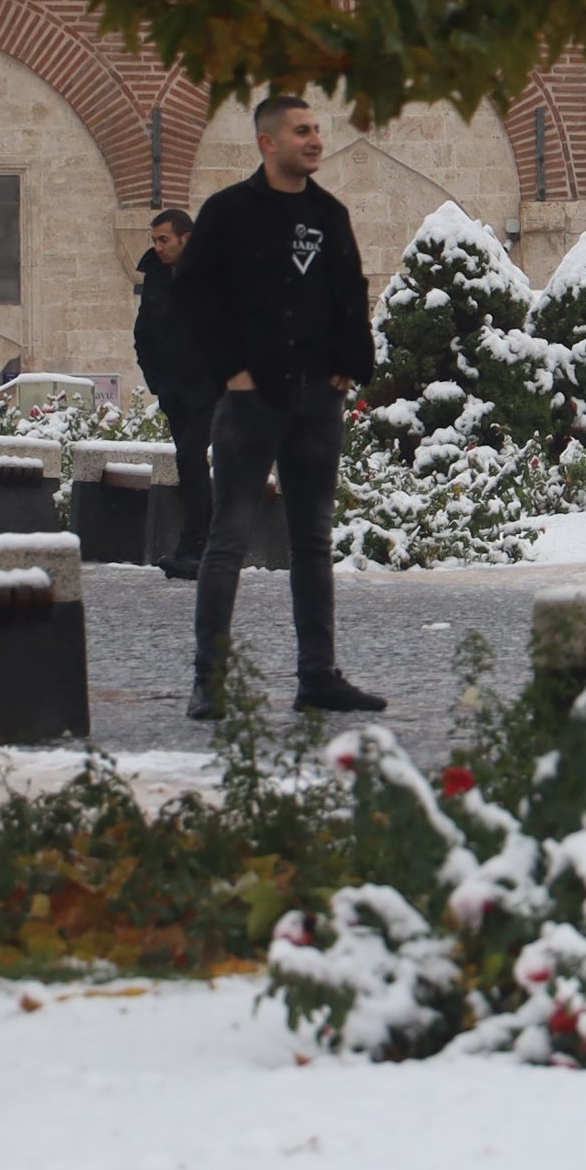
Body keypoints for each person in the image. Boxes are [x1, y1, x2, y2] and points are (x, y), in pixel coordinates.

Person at [174, 94, 385, 720]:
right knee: (228, 540)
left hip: (317, 400)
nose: (315, 140)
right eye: (301, 131)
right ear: (269, 142)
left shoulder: (328, 214)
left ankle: (317, 675)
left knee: (313, 543)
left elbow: (351, 290)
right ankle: (209, 681)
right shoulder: (229, 213)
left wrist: (351, 366)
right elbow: (192, 297)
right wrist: (231, 372)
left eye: (318, 130)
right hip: (250, 402)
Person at [131, 208, 216, 577]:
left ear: (187, 238)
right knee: (190, 463)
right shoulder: (154, 275)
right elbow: (143, 334)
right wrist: (158, 381)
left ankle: (194, 547)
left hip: (213, 390)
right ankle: (205, 548)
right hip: (175, 392)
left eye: (164, 239)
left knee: (191, 459)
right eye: (154, 240)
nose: (158, 247)